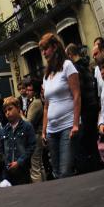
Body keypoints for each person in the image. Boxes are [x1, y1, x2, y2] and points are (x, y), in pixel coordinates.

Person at [40, 33, 80, 179]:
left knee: (65, 172)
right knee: (56, 172)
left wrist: (75, 124)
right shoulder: (46, 75)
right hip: (52, 130)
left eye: (46, 49)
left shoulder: (67, 66)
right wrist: (44, 131)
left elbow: (76, 95)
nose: (44, 53)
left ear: (55, 47)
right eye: (42, 50)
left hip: (67, 126)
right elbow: (46, 106)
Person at [65, 43, 102, 174]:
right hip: (93, 107)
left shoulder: (75, 69)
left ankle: (93, 170)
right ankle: (98, 166)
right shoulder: (87, 65)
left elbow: (77, 92)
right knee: (92, 142)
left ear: (70, 55)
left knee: (86, 143)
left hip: (85, 109)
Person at [0, 97, 36, 186]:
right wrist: (6, 164)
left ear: (18, 108)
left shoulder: (27, 126)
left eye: (10, 109)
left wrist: (19, 162)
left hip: (23, 168)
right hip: (8, 170)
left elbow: (31, 146)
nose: (7, 113)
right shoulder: (3, 130)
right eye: (5, 111)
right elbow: (1, 150)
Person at [24, 80, 46, 183]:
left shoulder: (35, 103)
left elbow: (28, 123)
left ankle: (39, 189)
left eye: (29, 90)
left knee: (35, 166)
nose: (27, 92)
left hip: (36, 135)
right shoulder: (37, 101)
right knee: (39, 164)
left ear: (35, 91)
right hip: (38, 135)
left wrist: (20, 115)